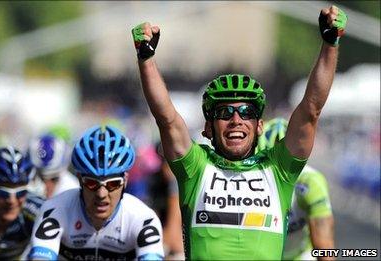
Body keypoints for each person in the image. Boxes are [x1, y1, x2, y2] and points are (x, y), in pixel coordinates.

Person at [131, 5, 346, 260]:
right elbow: (166, 118)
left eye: (246, 112)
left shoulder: (279, 170)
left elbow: (311, 109)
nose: (236, 120)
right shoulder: (195, 167)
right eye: (224, 113)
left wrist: (330, 44)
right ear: (208, 128)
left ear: (259, 126)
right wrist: (146, 59)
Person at [28, 125, 164, 260]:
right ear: (80, 180)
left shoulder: (143, 219)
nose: (101, 194)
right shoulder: (55, 210)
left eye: (113, 184)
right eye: (92, 183)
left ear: (125, 181)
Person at [257, 118, 334, 261]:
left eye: (287, 162)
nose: (281, 172)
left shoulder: (311, 182)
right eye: (270, 162)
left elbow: (325, 249)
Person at [28, 134, 80, 199]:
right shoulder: (25, 185)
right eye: (41, 178)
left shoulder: (73, 189)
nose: (46, 187)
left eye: (54, 179)